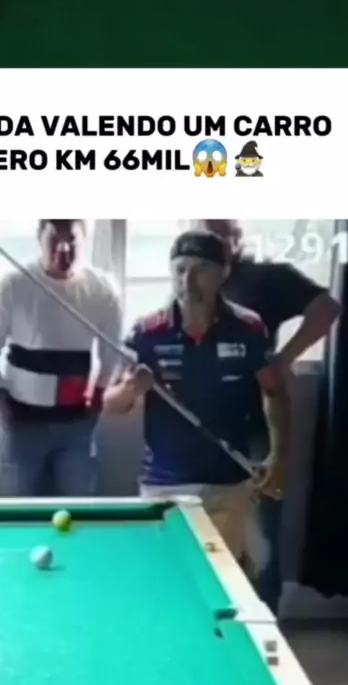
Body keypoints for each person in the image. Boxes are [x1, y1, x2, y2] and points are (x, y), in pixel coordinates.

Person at [103, 229, 291, 562]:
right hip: (165, 486)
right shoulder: (147, 332)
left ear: (224, 273)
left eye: (200, 270)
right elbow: (111, 404)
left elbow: (275, 393)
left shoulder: (249, 328)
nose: (187, 282)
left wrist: (277, 456)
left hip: (230, 486)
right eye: (180, 270)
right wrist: (132, 387)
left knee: (225, 580)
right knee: (164, 579)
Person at [202, 219, 341, 612]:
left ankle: (266, 630)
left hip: (260, 426)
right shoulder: (195, 281)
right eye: (207, 234)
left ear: (237, 238)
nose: (215, 244)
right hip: (208, 431)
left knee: (261, 536)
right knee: (212, 533)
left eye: (222, 234)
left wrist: (284, 358)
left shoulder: (266, 278)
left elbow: (327, 308)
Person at [0, 219, 122, 497]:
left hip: (77, 426)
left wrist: (99, 394)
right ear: (39, 239)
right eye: (54, 240)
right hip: (20, 423)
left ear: (84, 240)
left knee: (79, 510)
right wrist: (2, 406)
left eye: (72, 241)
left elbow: (111, 350)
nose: (63, 249)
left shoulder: (103, 289)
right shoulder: (14, 285)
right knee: (15, 511)